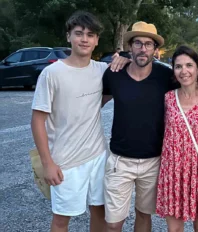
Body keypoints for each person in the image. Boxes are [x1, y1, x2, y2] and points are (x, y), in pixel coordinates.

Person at [30, 11, 129, 232]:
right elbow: (37, 121)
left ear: (96, 41)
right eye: (79, 33)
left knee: (100, 212)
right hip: (65, 162)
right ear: (69, 37)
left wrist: (125, 58)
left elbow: (115, 87)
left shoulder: (103, 71)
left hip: (98, 156)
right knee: (61, 219)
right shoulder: (52, 73)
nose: (84, 39)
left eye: (90, 35)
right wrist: (48, 163)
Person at [101, 21, 180, 232]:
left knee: (144, 215)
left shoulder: (166, 77)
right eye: (138, 43)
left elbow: (193, 90)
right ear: (130, 47)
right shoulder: (113, 74)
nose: (143, 48)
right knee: (113, 223)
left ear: (155, 49)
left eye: (148, 44)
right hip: (120, 161)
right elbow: (94, 103)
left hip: (153, 161)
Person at [156, 45, 198, 232]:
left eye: (189, 65)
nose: (184, 71)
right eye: (178, 66)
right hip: (173, 172)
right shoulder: (168, 99)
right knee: (174, 230)